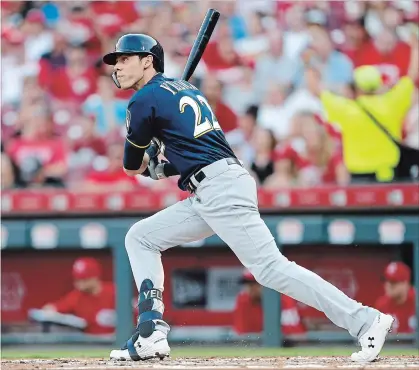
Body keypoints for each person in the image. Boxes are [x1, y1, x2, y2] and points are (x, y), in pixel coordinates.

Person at [102, 33, 394, 362]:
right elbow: (192, 153)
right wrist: (161, 165)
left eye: (125, 58)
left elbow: (130, 166)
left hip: (219, 187)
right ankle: (150, 330)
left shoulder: (143, 100)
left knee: (270, 269)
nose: (118, 66)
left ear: (147, 61)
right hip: (213, 185)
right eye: (116, 61)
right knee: (141, 237)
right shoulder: (185, 89)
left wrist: (150, 163)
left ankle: (365, 320)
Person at [42, 257, 115, 335]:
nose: (79, 283)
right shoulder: (76, 296)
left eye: (84, 279)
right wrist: (49, 310)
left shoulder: (114, 292)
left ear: (95, 277)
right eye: (77, 280)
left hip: (117, 341)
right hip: (92, 342)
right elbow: (53, 308)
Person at [233, 270, 306, 340]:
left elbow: (295, 336)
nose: (250, 288)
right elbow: (242, 336)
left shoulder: (283, 298)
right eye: (248, 285)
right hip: (256, 347)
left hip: (290, 347)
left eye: (255, 284)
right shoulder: (244, 300)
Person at [374, 262, 416, 334]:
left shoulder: (416, 301)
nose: (388, 285)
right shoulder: (382, 305)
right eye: (385, 280)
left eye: (393, 282)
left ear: (405, 284)